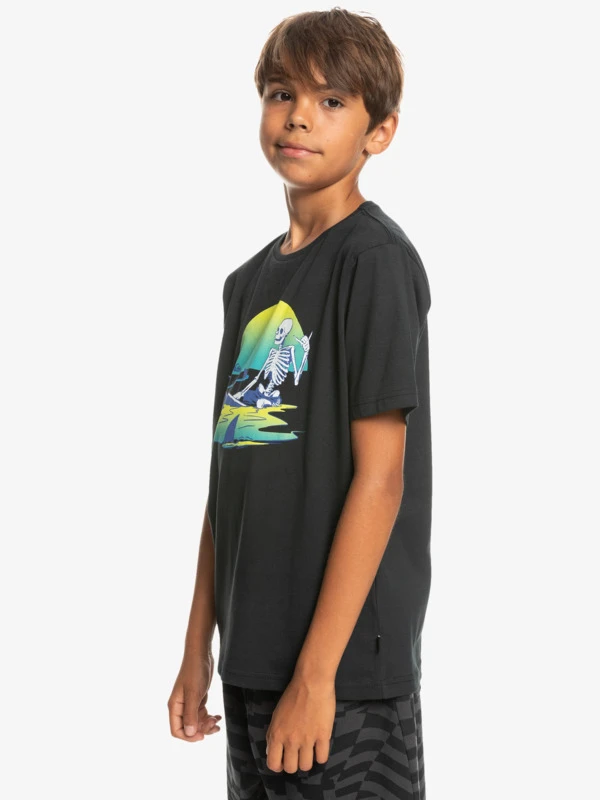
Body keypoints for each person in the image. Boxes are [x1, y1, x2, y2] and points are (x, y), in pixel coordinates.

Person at [168, 8, 432, 799]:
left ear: (379, 133)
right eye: (282, 93)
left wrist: (318, 676)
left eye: (332, 101)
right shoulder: (247, 284)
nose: (298, 116)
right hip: (252, 660)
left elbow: (381, 479)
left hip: (342, 675)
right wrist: (198, 649)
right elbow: (229, 480)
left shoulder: (373, 262)